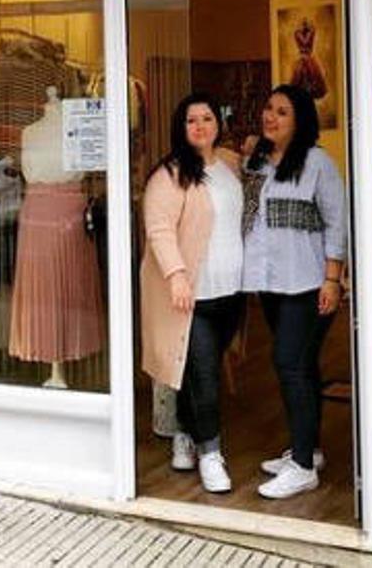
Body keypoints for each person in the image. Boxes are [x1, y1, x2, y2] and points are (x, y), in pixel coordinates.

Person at [242, 83, 347, 500]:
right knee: (303, 367)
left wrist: (332, 279)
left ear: (300, 120)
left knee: (289, 364)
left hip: (308, 284)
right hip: (271, 283)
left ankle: (302, 468)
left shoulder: (318, 163)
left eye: (282, 112)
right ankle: (309, 450)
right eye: (268, 108)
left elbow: (337, 223)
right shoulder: (259, 162)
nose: (271, 117)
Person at [140, 92, 245, 494]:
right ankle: (211, 453)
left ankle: (184, 431)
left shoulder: (231, 164)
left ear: (218, 122)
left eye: (207, 118)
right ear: (180, 128)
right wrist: (177, 276)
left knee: (198, 370)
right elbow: (160, 228)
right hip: (191, 294)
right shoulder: (169, 175)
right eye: (190, 120)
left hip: (231, 288)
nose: (199, 126)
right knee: (203, 375)